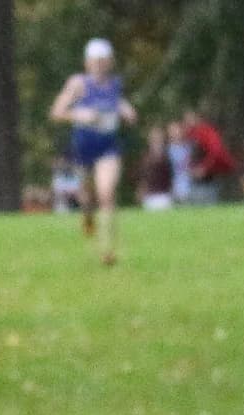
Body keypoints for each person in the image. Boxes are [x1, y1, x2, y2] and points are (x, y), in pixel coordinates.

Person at [48, 39, 136, 265]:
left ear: (110, 62)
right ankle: (87, 217)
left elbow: (116, 103)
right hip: (83, 149)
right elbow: (56, 112)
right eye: (95, 61)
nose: (99, 65)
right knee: (87, 199)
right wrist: (79, 114)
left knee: (106, 193)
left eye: (103, 60)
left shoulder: (115, 84)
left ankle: (108, 249)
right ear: (87, 62)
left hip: (108, 147)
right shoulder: (78, 84)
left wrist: (127, 111)